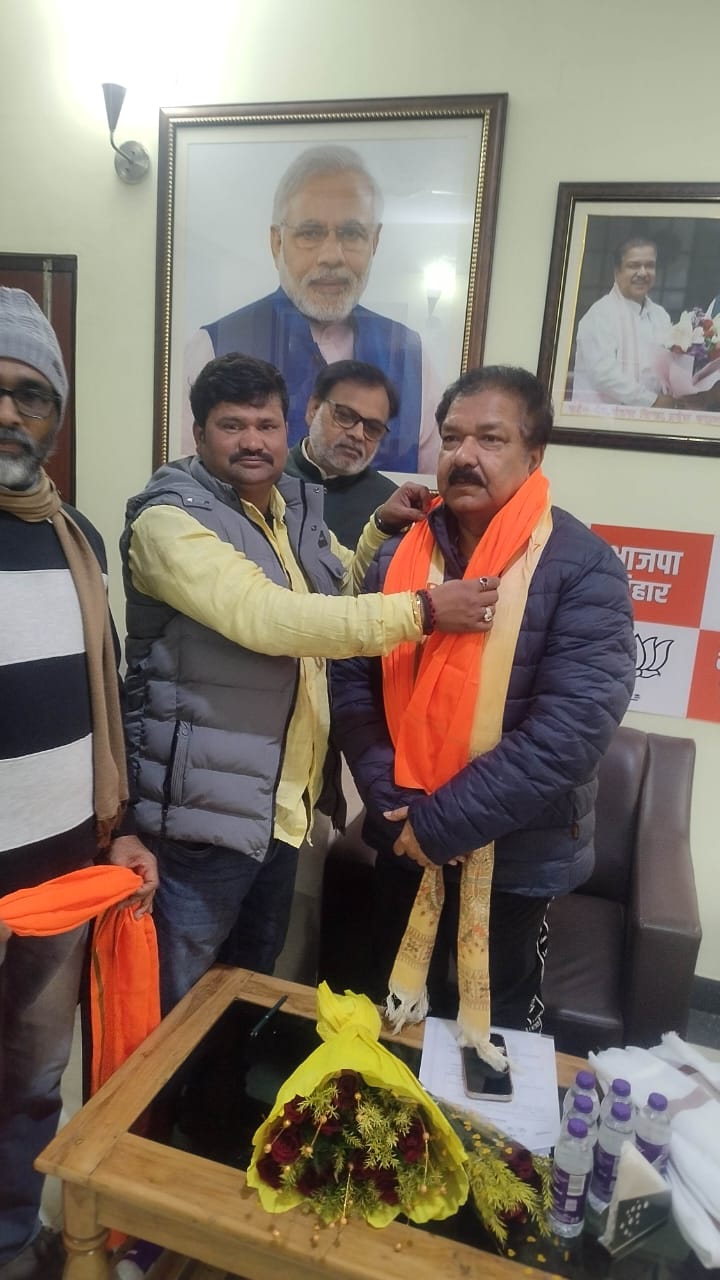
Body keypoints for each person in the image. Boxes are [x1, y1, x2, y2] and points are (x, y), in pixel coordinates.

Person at [120, 353, 497, 1016]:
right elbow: (268, 618)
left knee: (247, 988)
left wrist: (380, 529)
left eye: (266, 425)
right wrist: (425, 611)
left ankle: (227, 1088)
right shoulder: (169, 520)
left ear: (285, 427)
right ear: (199, 433)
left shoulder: (285, 510)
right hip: (199, 815)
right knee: (174, 1002)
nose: (253, 441)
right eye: (232, 426)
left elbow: (333, 592)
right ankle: (162, 1091)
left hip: (278, 805)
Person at [330, 365, 636, 1041]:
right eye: (451, 438)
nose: (464, 456)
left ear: (534, 454)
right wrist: (387, 794)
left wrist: (439, 824)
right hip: (402, 832)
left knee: (491, 1037)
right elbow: (351, 676)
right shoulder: (399, 556)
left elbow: (571, 729)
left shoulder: (582, 566)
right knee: (390, 1018)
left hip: (516, 855)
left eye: (490, 439)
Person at [0, 289, 158, 1280]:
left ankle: (12, 1241)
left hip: (60, 873)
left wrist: (121, 827)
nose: (8, 413)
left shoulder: (79, 539)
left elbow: (105, 700)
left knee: (32, 1081)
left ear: (55, 415)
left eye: (30, 394)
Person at [182, 145, 438, 472]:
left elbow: (431, 488)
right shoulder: (212, 347)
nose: (331, 255)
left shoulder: (413, 357)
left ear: (374, 242)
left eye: (351, 233)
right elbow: (188, 482)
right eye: (310, 233)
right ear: (277, 242)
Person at [284, 359, 398, 547]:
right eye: (345, 415)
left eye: (373, 428)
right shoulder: (267, 480)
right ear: (313, 409)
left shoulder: (388, 506)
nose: (358, 435)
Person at [570, 237, 674, 408]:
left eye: (649, 265)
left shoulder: (661, 316)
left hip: (651, 418)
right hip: (601, 419)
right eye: (634, 265)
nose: (643, 273)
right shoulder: (599, 314)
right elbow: (604, 374)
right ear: (617, 271)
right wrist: (653, 401)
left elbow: (667, 370)